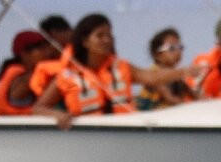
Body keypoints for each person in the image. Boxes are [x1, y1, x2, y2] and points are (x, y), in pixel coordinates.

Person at [32, 13, 200, 129]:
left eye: (109, 35)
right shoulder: (68, 75)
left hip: (124, 133)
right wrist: (58, 116)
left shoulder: (122, 67)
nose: (107, 40)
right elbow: (39, 108)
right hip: (89, 137)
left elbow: (151, 77)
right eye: (100, 36)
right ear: (85, 41)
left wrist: (183, 72)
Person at [0, 30, 53, 115]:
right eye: (41, 48)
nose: (48, 52)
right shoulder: (23, 80)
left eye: (47, 47)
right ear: (24, 53)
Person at [137, 27, 195, 110]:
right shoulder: (154, 74)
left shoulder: (176, 77)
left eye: (180, 47)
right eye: (172, 48)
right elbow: (171, 99)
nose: (178, 52)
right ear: (157, 54)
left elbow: (194, 94)